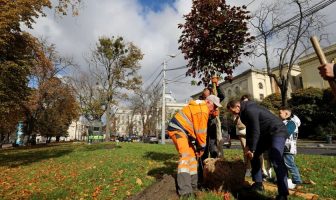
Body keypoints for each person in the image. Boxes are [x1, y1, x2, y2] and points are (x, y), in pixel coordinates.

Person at [227, 100, 289, 200]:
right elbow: (250, 131)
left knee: (275, 158)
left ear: (238, 106)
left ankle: (283, 194)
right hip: (266, 134)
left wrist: (252, 149)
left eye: (233, 111)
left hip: (277, 131)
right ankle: (258, 183)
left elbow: (255, 130)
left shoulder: (250, 110)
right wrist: (248, 147)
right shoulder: (244, 113)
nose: (234, 114)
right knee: (255, 156)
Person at [167, 95, 222, 198]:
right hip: (177, 129)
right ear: (208, 102)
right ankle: (185, 191)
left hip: (184, 132)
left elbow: (196, 129)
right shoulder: (202, 110)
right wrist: (201, 147)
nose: (215, 109)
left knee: (192, 159)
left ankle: (193, 187)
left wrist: (198, 146)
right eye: (214, 106)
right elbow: (201, 132)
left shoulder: (201, 107)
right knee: (185, 156)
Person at [279, 107, 302, 189]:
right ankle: (285, 180)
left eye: (280, 113)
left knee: (290, 164)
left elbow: (286, 133)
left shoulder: (291, 123)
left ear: (286, 114)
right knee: (282, 165)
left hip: (288, 148)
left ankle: (297, 181)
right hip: (283, 147)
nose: (279, 115)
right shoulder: (284, 122)